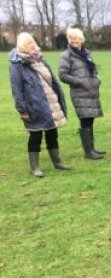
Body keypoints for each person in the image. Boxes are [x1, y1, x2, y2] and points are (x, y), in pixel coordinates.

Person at [9, 32, 71, 177]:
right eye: (27, 43)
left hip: (49, 104)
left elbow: (52, 81)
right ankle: (34, 167)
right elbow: (16, 89)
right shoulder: (17, 65)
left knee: (52, 133)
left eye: (32, 42)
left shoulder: (40, 59)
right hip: (33, 106)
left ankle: (57, 162)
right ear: (21, 46)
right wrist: (22, 109)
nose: (31, 45)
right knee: (35, 136)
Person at [59, 27, 105, 160]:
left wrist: (97, 80)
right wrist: (80, 82)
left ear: (81, 40)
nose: (74, 41)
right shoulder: (66, 56)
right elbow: (63, 75)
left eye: (77, 38)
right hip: (79, 93)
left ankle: (92, 148)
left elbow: (94, 70)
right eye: (72, 38)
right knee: (85, 120)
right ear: (69, 40)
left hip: (91, 92)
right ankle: (88, 152)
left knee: (90, 119)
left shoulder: (86, 54)